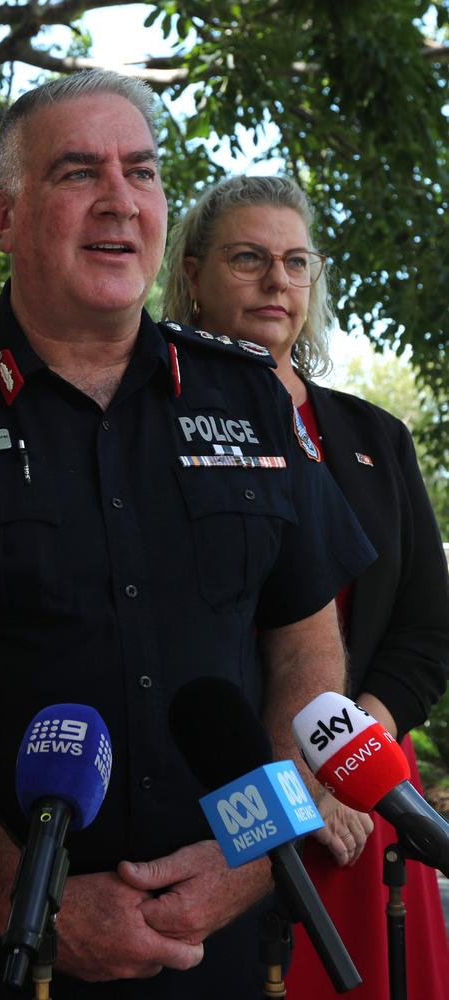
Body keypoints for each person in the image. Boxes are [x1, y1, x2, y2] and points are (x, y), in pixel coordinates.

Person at [0, 74, 376, 1000]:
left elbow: (306, 649)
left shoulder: (250, 398)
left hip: (213, 950)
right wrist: (19, 893)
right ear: (4, 217)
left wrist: (251, 856)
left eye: (141, 172)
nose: (119, 198)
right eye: (78, 172)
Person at [162, 172, 449, 997]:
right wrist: (298, 786)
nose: (276, 281)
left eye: (295, 263)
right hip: (225, 813)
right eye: (248, 258)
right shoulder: (146, 424)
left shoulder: (374, 437)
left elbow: (427, 635)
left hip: (368, 811)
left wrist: (346, 762)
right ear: (192, 274)